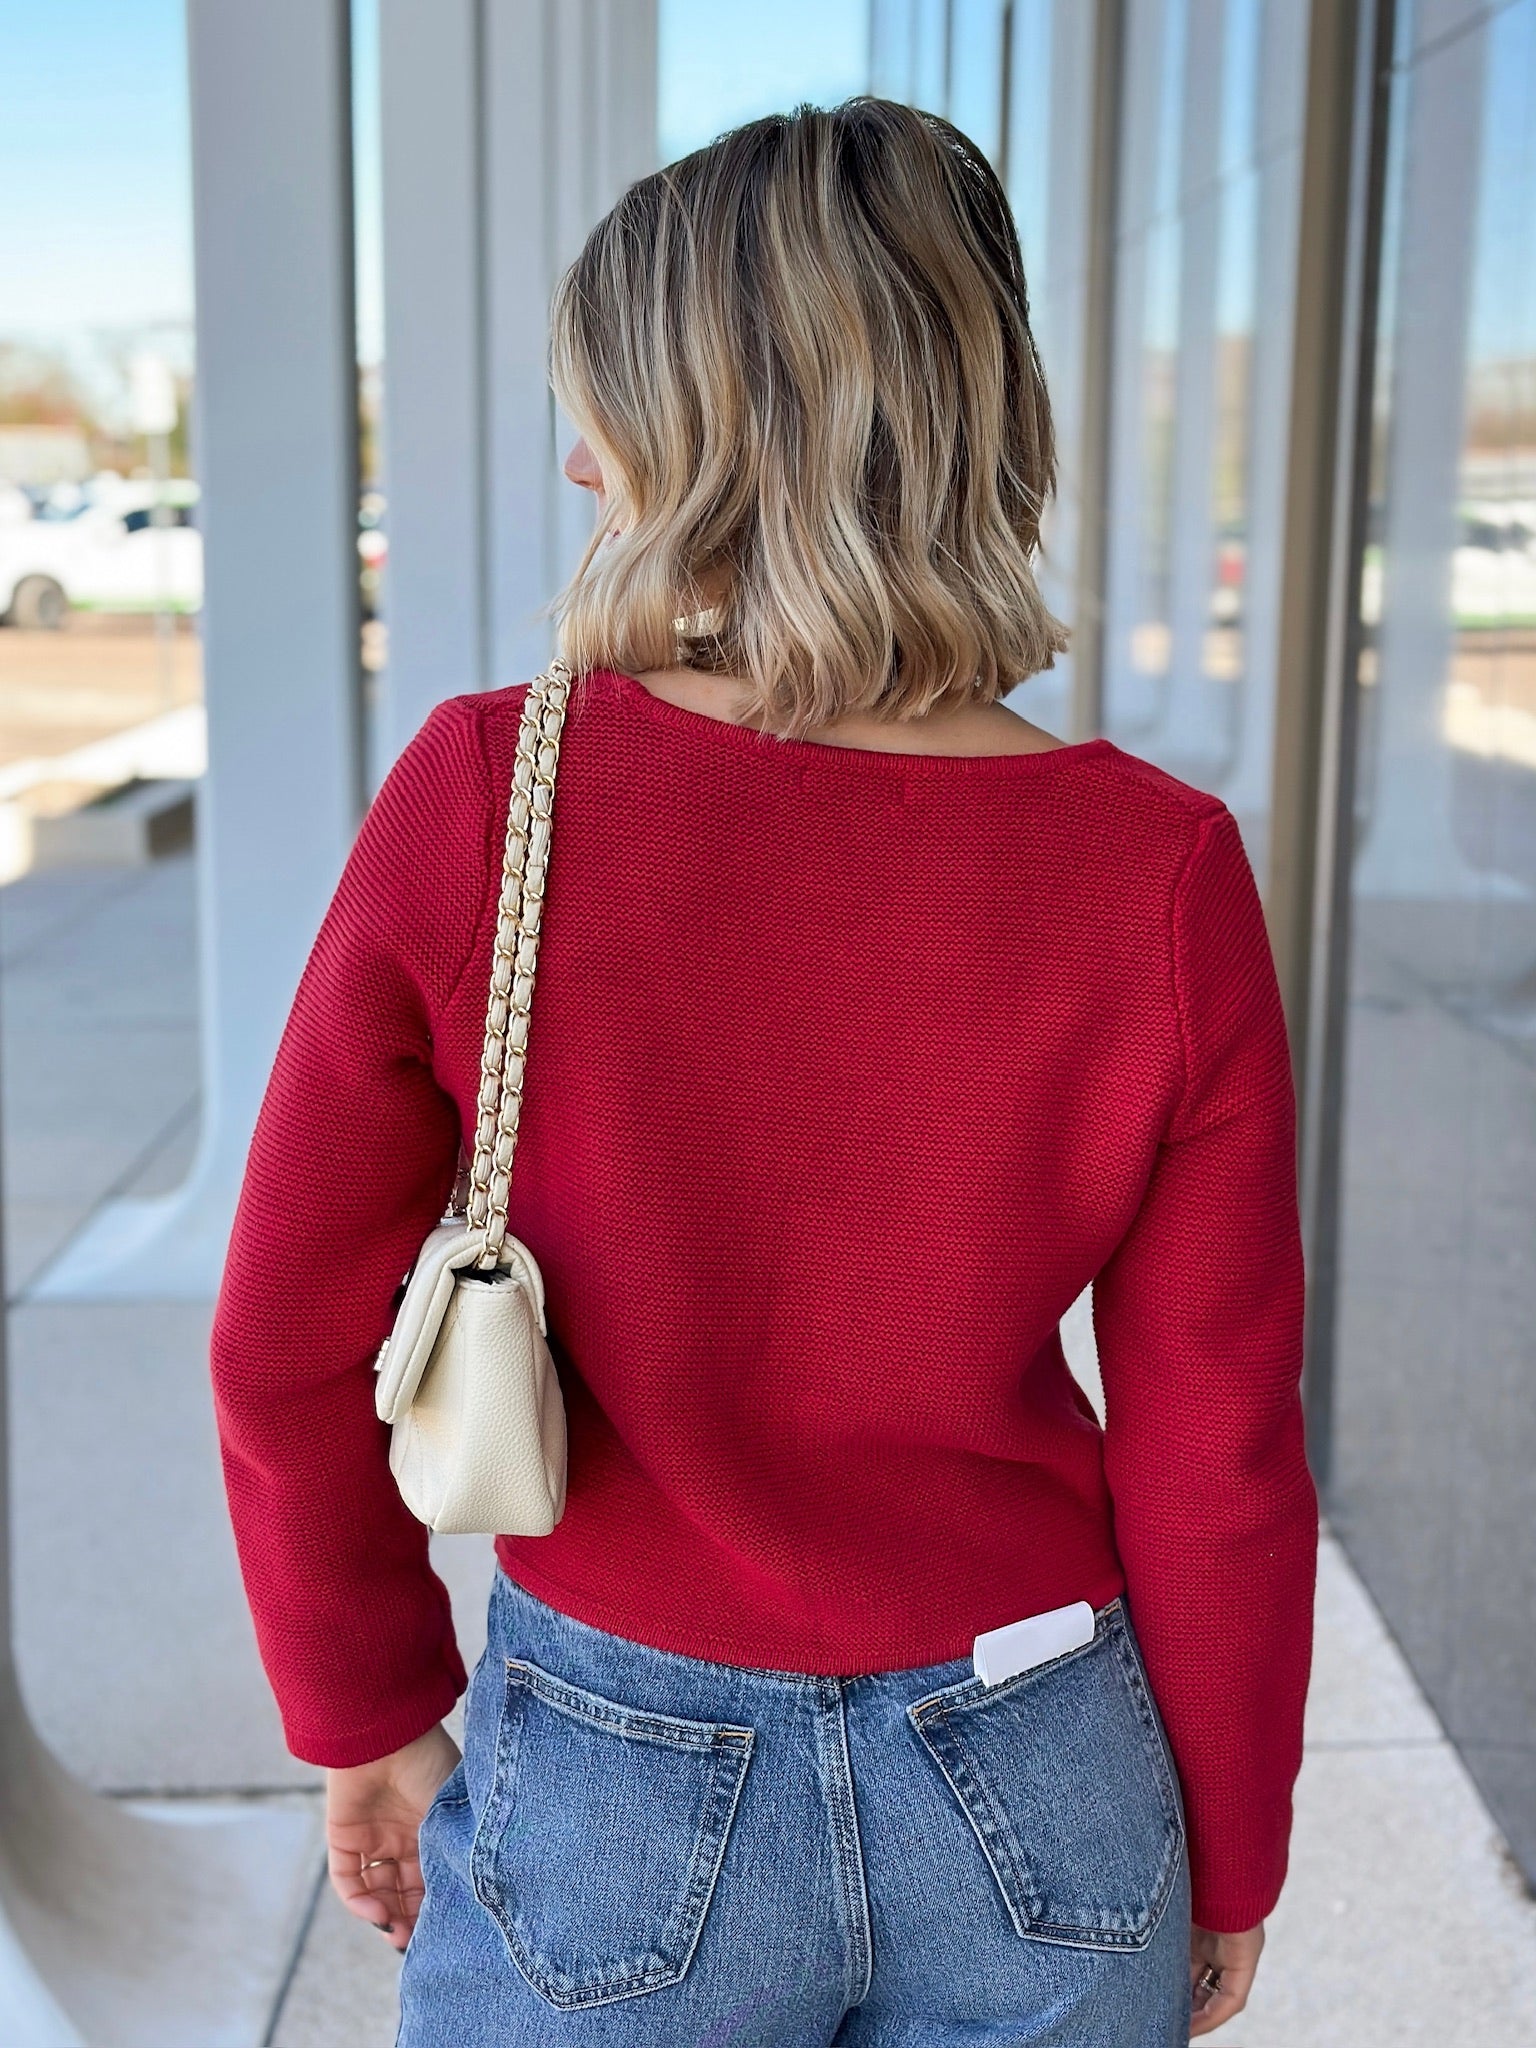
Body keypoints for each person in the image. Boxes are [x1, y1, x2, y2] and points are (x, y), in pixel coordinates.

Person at [210, 97, 1317, 2047]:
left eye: (606, 408)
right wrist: (1230, 1841)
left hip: (625, 1764)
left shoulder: (495, 796)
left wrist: (368, 1701)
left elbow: (285, 1331)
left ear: (697, 440)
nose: (576, 459)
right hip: (1048, 1762)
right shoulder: (1161, 867)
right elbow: (1216, 1441)